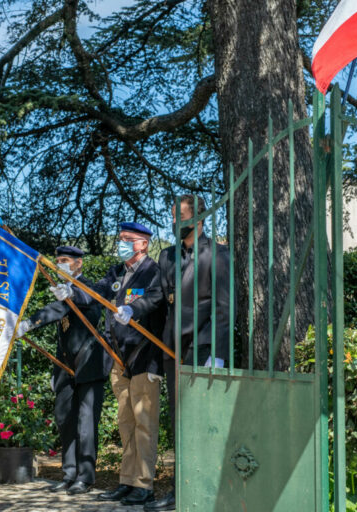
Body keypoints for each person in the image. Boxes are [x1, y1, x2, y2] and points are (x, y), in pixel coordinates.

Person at [51, 222, 165, 506]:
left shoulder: (154, 270)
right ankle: (127, 481)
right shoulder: (116, 272)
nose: (121, 243)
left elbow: (154, 299)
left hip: (145, 356)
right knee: (126, 423)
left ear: (143, 244)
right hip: (119, 357)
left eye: (128, 239)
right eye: (120, 239)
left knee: (144, 424)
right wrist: (72, 292)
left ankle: (143, 484)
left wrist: (133, 308)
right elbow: (97, 292)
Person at [146, 195, 231, 511]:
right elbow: (157, 299)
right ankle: (180, 492)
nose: (173, 222)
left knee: (203, 422)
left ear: (197, 220)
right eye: (172, 216)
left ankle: (207, 491)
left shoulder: (218, 255)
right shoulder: (167, 257)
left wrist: (218, 356)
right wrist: (129, 307)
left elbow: (224, 309)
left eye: (178, 216)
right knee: (179, 422)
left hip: (203, 348)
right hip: (173, 351)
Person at [16, 246, 105, 495]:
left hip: (89, 366)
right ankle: (69, 474)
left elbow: (64, 308)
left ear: (78, 264)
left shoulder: (89, 288)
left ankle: (85, 477)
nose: (59, 265)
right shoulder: (63, 291)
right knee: (65, 419)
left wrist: (32, 322)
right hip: (65, 367)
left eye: (64, 261)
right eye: (57, 261)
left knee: (86, 423)